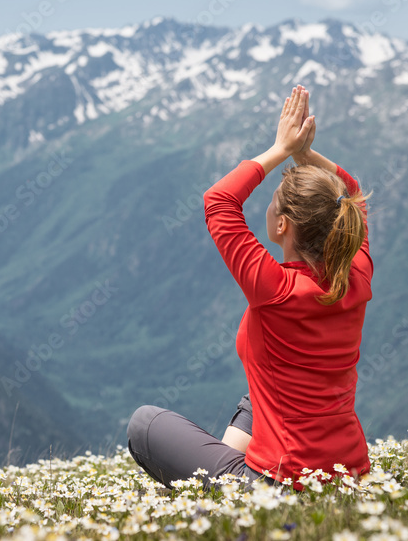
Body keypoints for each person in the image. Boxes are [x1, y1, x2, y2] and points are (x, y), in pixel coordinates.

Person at [126, 84, 372, 488]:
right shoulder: (356, 276)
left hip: (282, 484)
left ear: (282, 225)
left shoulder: (275, 288)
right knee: (256, 395)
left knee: (145, 423)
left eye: (274, 200)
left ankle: (231, 496)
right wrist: (307, 157)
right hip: (351, 474)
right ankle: (225, 481)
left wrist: (281, 150)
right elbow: (356, 196)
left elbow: (219, 200)